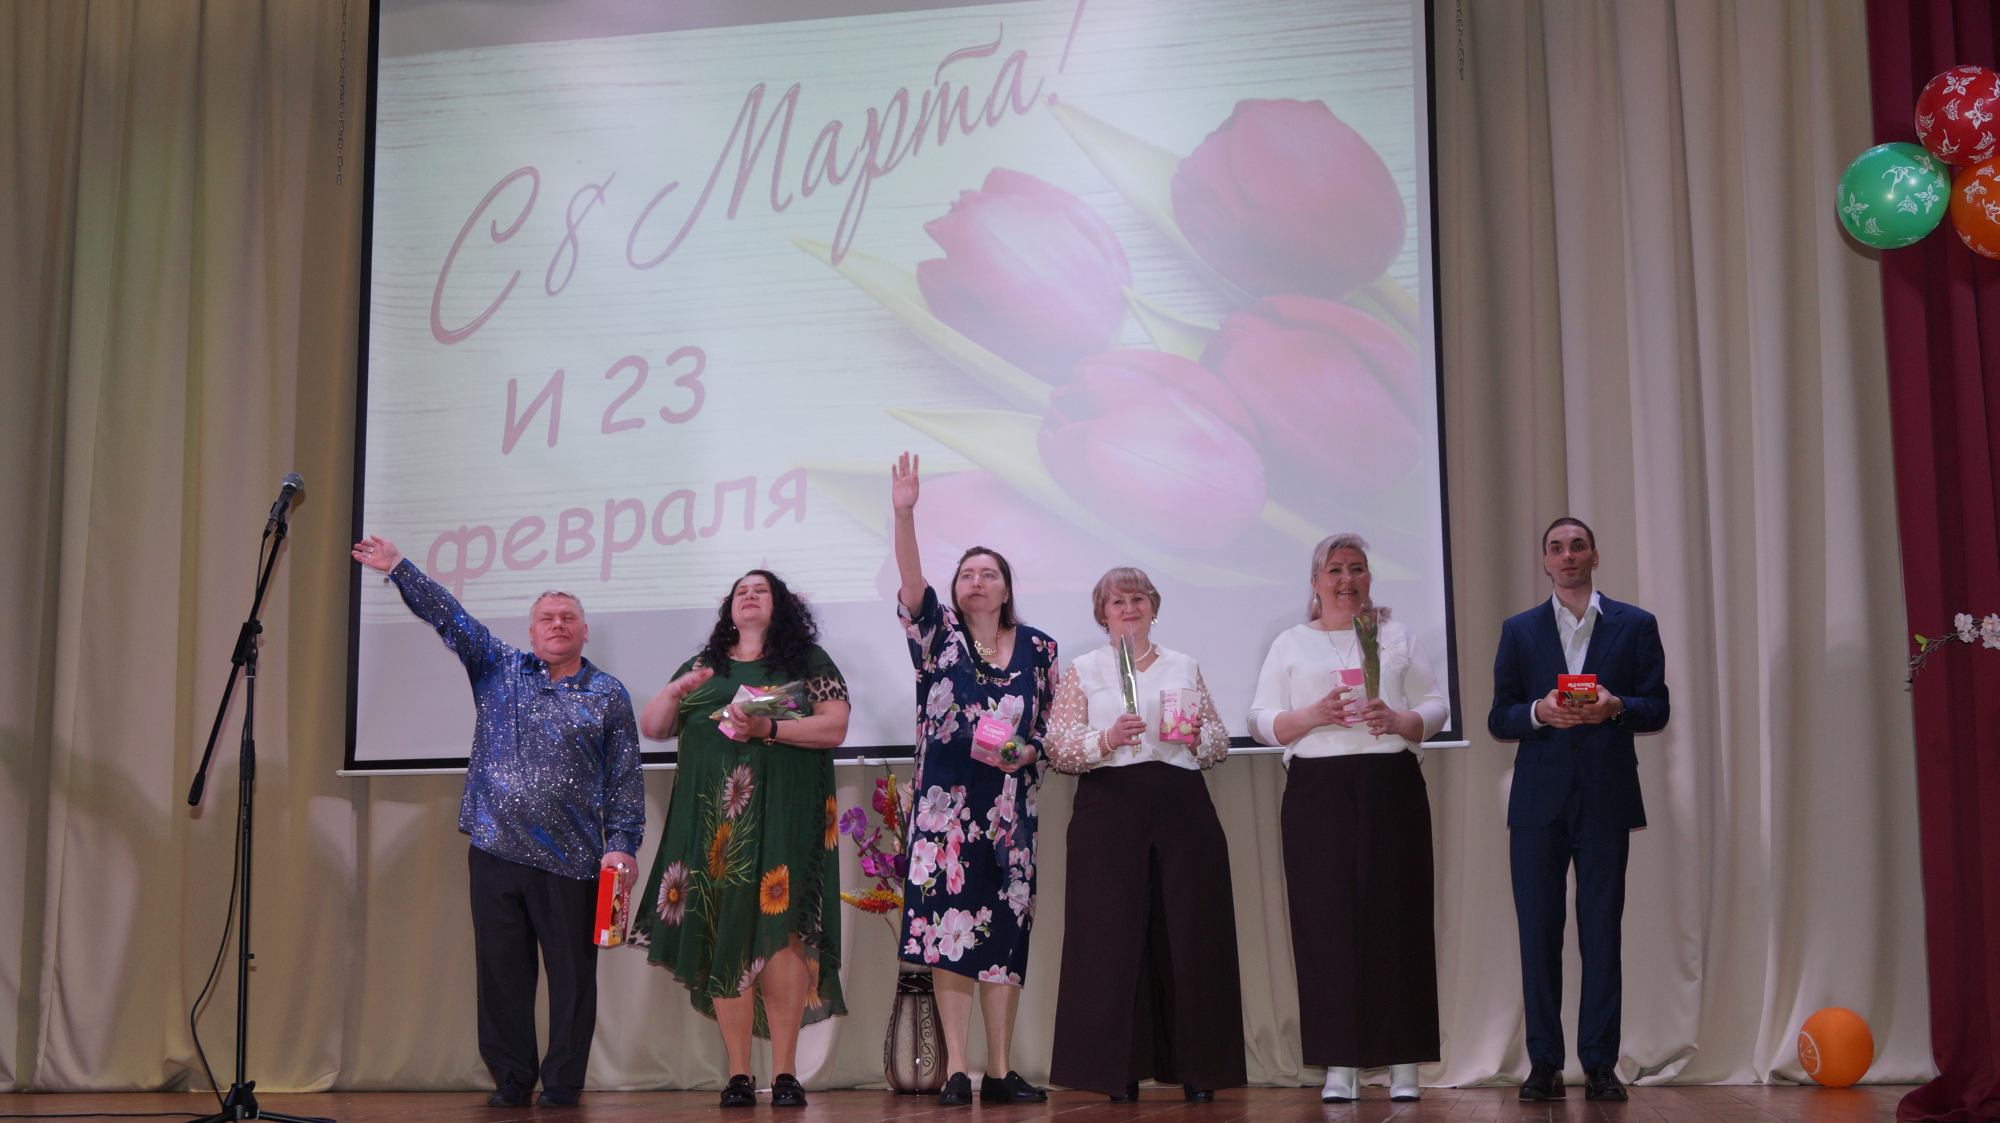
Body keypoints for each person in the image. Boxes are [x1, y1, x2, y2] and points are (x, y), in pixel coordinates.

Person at [351, 535, 641, 1109]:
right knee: (502, 975)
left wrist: (623, 843)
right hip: (493, 849)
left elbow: (625, 778)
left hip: (574, 858)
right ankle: (512, 1078)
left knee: (573, 978)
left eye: (568, 617)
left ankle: (563, 1083)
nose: (557, 624)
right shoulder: (498, 668)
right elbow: (450, 616)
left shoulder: (608, 694)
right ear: (531, 632)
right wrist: (400, 568)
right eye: (546, 617)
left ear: (584, 632)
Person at [630, 569, 850, 1109]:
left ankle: (786, 1073)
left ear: (781, 605)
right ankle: (737, 1075)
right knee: (724, 932)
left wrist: (767, 729)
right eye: (740, 592)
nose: (748, 597)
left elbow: (834, 727)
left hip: (785, 819)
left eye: (760, 590)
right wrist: (674, 690)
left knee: (780, 935)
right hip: (716, 827)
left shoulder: (808, 662)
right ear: (729, 607)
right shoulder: (705, 667)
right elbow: (654, 726)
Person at [1247, 533, 1448, 1104]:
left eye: (1357, 569)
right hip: (1317, 792)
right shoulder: (1290, 642)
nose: (1346, 579)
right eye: (1334, 570)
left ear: (1368, 579)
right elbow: (1260, 720)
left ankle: (1404, 1063)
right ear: (1315, 583)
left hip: (1391, 786)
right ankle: (1341, 1063)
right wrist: (1311, 715)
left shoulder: (1396, 635)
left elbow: (1436, 706)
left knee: (1399, 921)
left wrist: (1402, 720)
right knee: (1325, 926)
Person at [889, 451, 1057, 1106]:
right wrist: (906, 514)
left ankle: (1001, 1070)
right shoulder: (939, 636)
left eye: (989, 574)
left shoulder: (1040, 649)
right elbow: (911, 582)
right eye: (967, 574)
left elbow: (1052, 728)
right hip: (944, 817)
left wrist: (1029, 750)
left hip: (1010, 817)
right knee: (946, 934)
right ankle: (958, 1069)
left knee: (1004, 939)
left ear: (1007, 588)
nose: (977, 582)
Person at [1046, 567, 1245, 1103]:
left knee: (1191, 934)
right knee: (1110, 938)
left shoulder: (1184, 665)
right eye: (1117, 602)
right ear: (1102, 614)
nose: (1128, 608)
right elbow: (1059, 748)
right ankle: (1118, 1072)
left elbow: (1219, 742)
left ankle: (1200, 1069)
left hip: (1182, 802)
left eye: (1137, 599)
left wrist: (1199, 737)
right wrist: (1107, 738)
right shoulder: (1083, 669)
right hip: (1108, 807)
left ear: (1153, 607)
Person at [1488, 518, 1669, 1103]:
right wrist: (1538, 712)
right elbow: (1499, 716)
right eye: (1556, 548)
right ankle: (1543, 1063)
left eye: (1577, 546)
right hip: (1537, 802)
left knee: (1601, 934)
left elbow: (1657, 707)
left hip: (1605, 797)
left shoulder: (1636, 624)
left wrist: (1616, 707)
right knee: (1538, 936)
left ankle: (1599, 1063)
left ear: (1595, 555)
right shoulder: (1519, 630)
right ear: (1545, 561)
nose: (1567, 556)